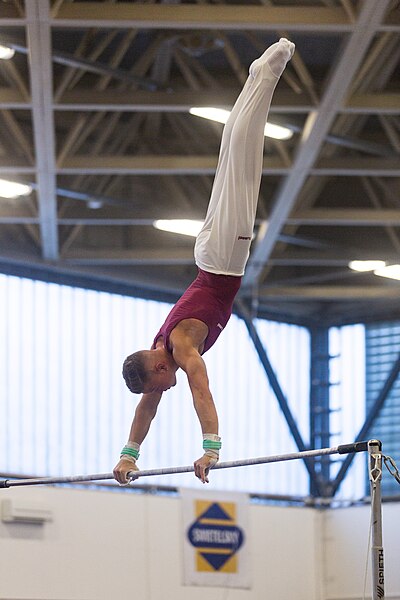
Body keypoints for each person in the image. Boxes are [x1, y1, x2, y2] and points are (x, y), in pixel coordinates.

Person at [113, 38, 295, 485]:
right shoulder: (160, 352)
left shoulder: (180, 346)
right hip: (209, 254)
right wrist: (127, 456)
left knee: (244, 158)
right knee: (232, 157)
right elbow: (146, 408)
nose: (161, 393)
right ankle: (257, 76)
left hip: (223, 259)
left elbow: (200, 388)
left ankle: (268, 70)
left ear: (158, 366)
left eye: (159, 385)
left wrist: (210, 448)